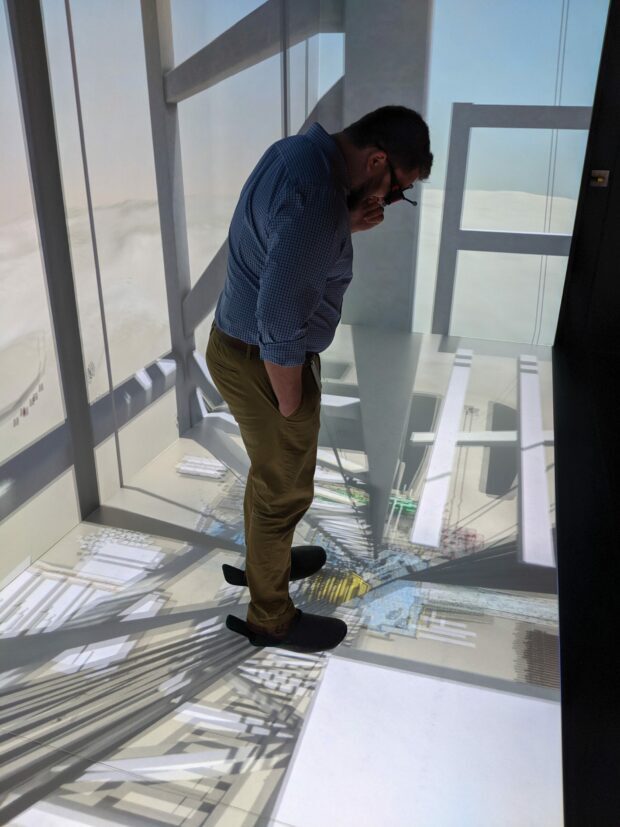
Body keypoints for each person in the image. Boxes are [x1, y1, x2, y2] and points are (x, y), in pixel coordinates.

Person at [206, 105, 433, 652]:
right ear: (377, 159)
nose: (391, 201)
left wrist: (345, 221)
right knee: (284, 491)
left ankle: (269, 564)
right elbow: (281, 321)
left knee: (269, 475)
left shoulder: (295, 154)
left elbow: (283, 239)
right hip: (266, 361)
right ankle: (270, 618)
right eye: (397, 187)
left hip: (234, 345)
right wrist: (292, 403)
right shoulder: (319, 206)